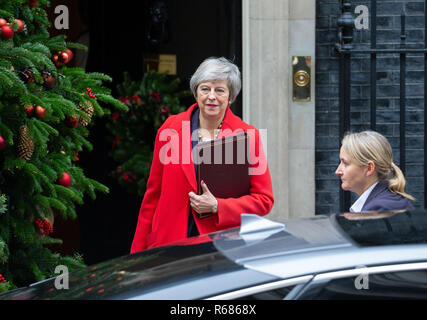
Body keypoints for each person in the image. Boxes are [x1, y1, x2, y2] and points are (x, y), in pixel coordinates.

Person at [130, 57, 274, 253]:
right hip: (169, 244)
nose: (211, 96)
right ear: (196, 93)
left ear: (231, 97)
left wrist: (218, 206)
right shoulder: (170, 128)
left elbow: (264, 200)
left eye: (220, 90)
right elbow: (152, 196)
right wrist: (137, 254)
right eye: (205, 89)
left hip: (219, 247)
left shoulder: (247, 136)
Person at [335, 130, 415, 212]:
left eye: (345, 163)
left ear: (369, 168)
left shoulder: (379, 208)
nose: (337, 171)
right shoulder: (387, 201)